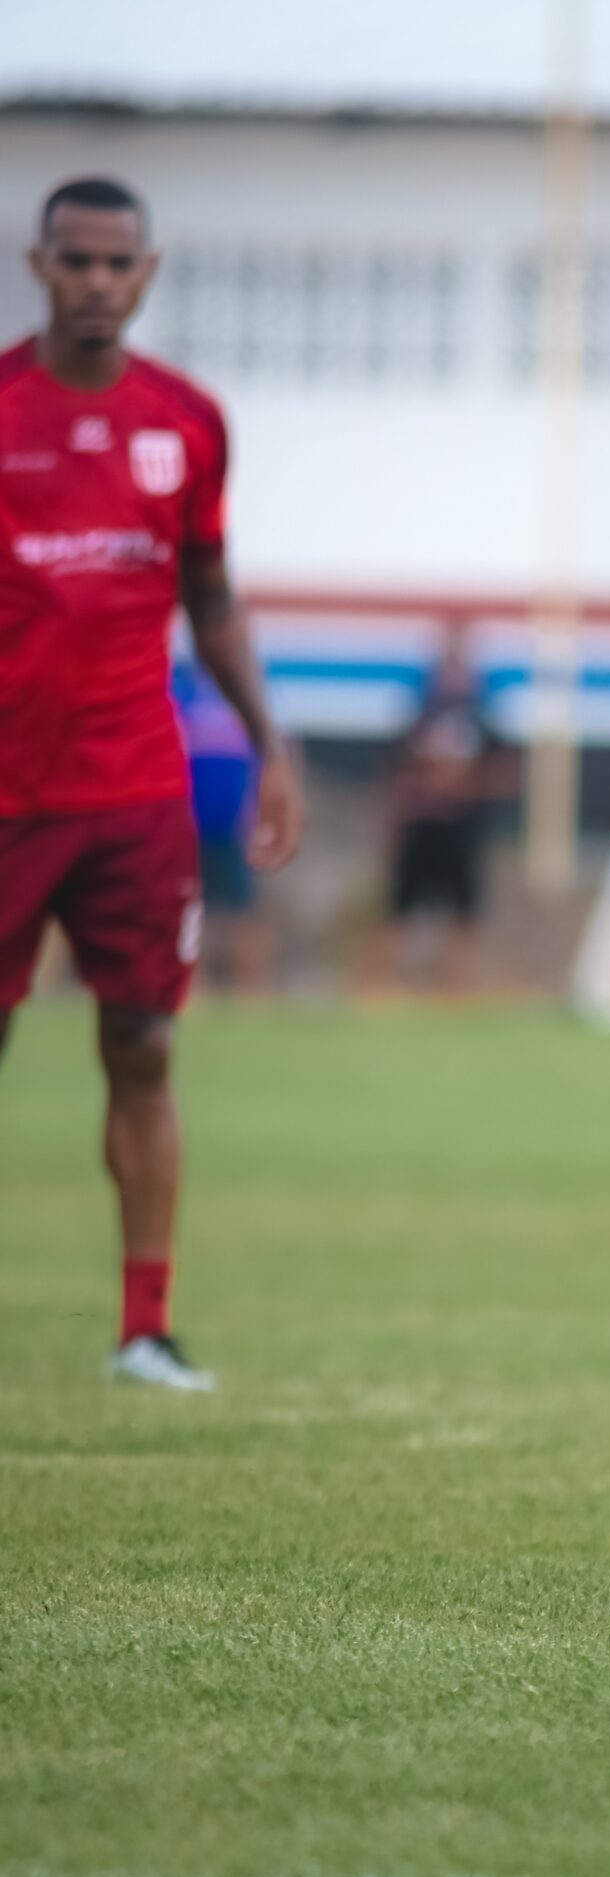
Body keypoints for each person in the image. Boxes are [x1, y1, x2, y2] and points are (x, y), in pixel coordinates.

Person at [0, 177, 304, 1389]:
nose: (94, 282)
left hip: (135, 798)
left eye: (115, 263)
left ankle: (145, 1327)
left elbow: (212, 598)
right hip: (9, 796)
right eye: (73, 260)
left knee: (142, 1045)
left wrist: (272, 744)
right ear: (38, 264)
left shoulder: (187, 422)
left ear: (148, 274)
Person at [370, 625, 504, 993]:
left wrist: (464, 789)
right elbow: (394, 770)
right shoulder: (418, 711)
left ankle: (457, 990)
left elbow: (503, 772)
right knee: (399, 910)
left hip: (462, 828)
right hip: (421, 825)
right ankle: (386, 988)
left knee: (464, 914)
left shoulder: (484, 716)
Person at [176, 655, 275, 993]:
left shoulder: (247, 701)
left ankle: (250, 989)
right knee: (190, 909)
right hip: (192, 825)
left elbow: (266, 763)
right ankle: (193, 986)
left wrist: (255, 818)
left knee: (243, 910)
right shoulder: (185, 696)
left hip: (233, 826)